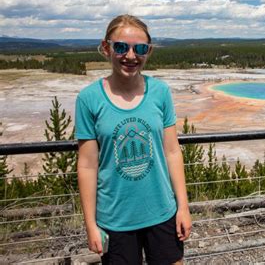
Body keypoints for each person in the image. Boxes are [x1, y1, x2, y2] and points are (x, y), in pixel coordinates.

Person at [75, 14, 191, 264]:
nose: (130, 56)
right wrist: (90, 225)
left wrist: (183, 207)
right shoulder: (88, 99)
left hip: (162, 212)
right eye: (120, 47)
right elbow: (86, 165)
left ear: (148, 51)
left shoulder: (160, 92)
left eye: (140, 48)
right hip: (115, 219)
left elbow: (172, 152)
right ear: (106, 48)